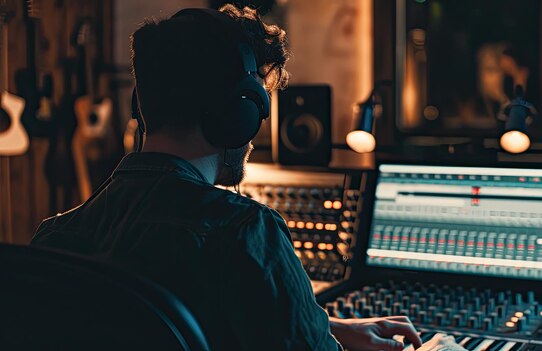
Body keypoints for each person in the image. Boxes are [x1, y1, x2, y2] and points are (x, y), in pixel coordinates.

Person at [30, 5, 423, 351]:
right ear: (239, 115)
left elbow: (173, 322)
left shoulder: (54, 239)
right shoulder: (244, 231)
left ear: (143, 107)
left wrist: (326, 326)